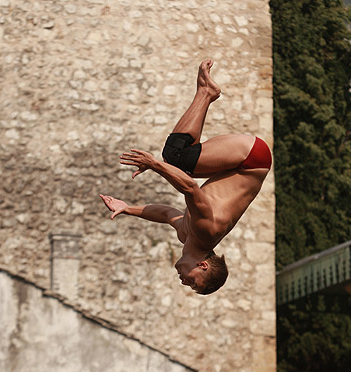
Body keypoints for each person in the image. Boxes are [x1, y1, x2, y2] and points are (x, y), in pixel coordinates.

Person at [100, 59, 272, 294]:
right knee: (175, 157)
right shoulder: (205, 232)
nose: (185, 282)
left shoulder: (187, 235)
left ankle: (207, 93)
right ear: (202, 265)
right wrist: (154, 165)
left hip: (242, 165)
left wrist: (127, 208)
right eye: (193, 282)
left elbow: (167, 213)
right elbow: (191, 188)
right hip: (251, 159)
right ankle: (207, 92)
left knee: (178, 157)